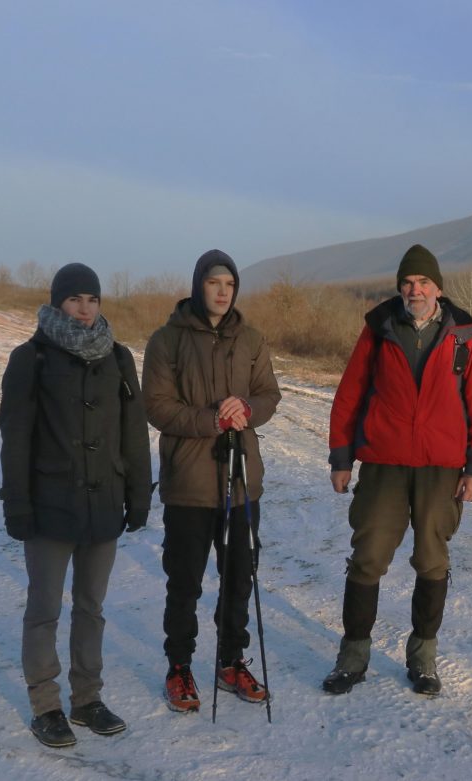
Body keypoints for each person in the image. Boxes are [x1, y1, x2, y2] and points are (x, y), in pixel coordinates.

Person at [323, 243, 472, 696]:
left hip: (441, 468)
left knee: (432, 561)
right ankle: (352, 657)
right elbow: (349, 394)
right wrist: (341, 458)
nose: (414, 290)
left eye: (422, 282)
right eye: (407, 282)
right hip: (383, 464)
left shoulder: (464, 336)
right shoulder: (379, 330)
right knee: (368, 558)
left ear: (437, 287)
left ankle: (423, 659)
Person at [0, 263, 152, 748]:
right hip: (50, 506)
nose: (85, 309)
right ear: (57, 303)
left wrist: (140, 494)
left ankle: (87, 699)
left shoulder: (119, 357)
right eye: (74, 300)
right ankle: (46, 705)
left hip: (104, 502)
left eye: (92, 299)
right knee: (44, 608)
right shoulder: (31, 358)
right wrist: (17, 504)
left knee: (91, 607)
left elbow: (134, 432)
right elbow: (16, 438)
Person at [142, 249, 281, 713]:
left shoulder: (251, 339)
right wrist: (211, 420)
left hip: (241, 481)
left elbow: (269, 394)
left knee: (239, 577)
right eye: (213, 283)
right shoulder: (168, 340)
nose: (222, 292)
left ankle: (230, 661)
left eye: (230, 284)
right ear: (198, 285)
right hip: (190, 481)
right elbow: (156, 406)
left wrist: (247, 409)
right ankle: (179, 666)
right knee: (184, 581)